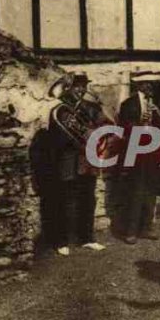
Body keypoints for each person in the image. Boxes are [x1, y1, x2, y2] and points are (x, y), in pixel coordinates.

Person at [47, 73, 108, 256]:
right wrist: (84, 136)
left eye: (83, 87)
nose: (81, 90)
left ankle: (87, 238)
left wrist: (94, 131)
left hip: (87, 161)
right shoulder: (59, 111)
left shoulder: (90, 108)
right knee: (64, 201)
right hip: (68, 161)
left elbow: (107, 125)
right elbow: (58, 137)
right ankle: (61, 241)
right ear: (67, 89)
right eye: (76, 87)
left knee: (88, 200)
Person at [118, 72, 160, 244]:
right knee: (135, 191)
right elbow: (123, 127)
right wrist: (139, 122)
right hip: (134, 150)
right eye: (148, 84)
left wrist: (158, 114)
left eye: (152, 84)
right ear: (140, 85)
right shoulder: (128, 104)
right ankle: (131, 231)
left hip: (151, 150)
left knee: (150, 189)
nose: (151, 87)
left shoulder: (153, 104)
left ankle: (147, 228)